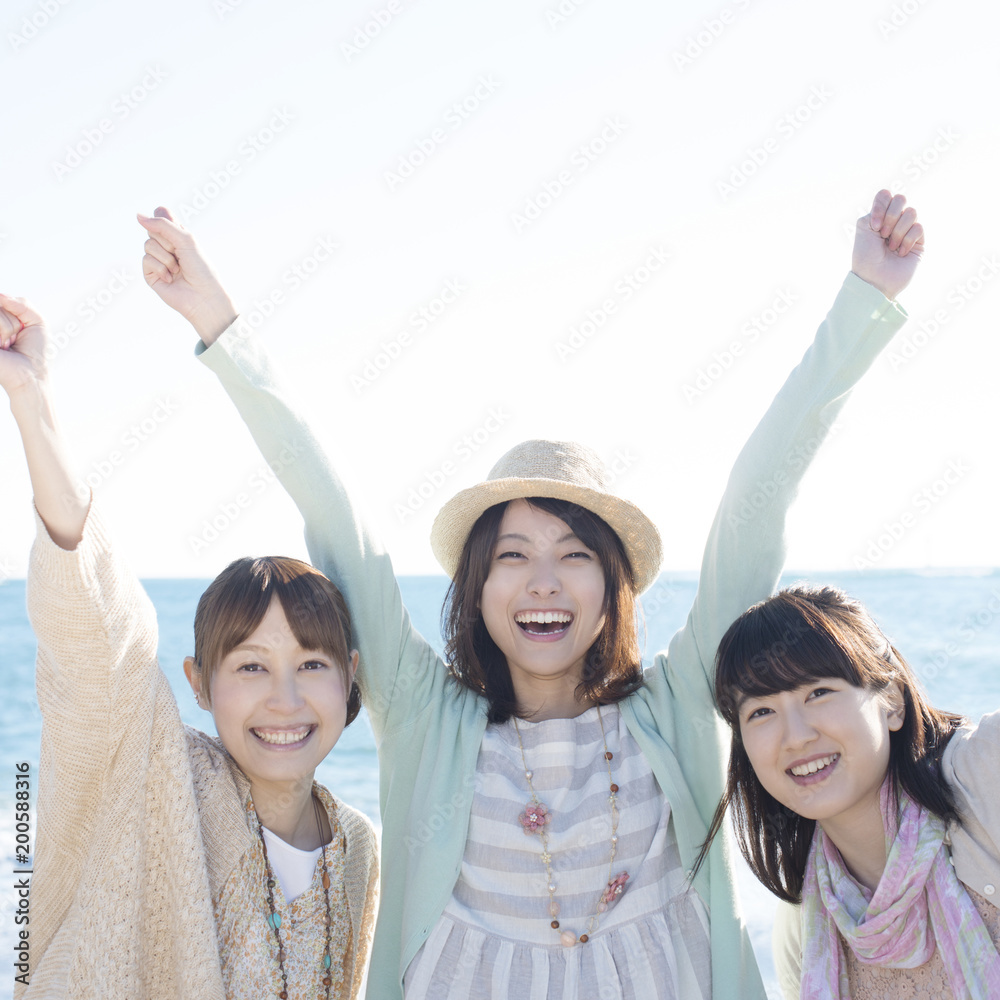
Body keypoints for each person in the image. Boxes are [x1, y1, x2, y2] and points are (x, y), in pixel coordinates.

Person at [139, 189, 922, 999]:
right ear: (475, 589)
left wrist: (863, 302)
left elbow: (757, 500)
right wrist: (222, 329)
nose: (543, 580)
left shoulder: (675, 708)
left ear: (614, 585)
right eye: (512, 554)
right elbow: (336, 514)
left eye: (574, 553)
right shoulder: (429, 719)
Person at [0, 294, 379, 999]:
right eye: (251, 666)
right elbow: (98, 644)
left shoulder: (357, 847)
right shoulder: (158, 774)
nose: (285, 699)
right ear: (198, 683)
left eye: (312, 665)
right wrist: (32, 400)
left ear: (350, 676)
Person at [706, 584, 1000, 999]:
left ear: (893, 701)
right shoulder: (809, 925)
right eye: (762, 711)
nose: (796, 737)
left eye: (819, 692)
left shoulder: (983, 774)